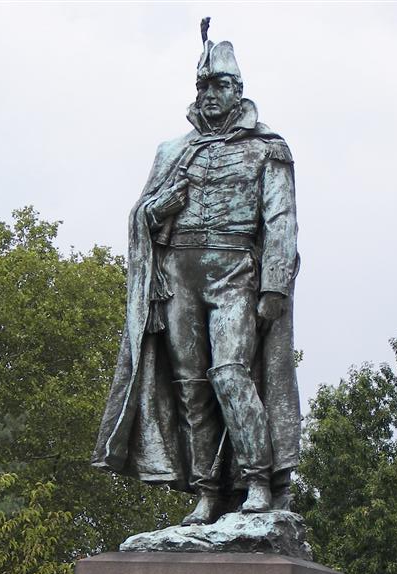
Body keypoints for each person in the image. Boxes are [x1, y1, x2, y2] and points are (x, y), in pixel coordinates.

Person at [92, 21, 300, 525]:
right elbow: (142, 215)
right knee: (190, 388)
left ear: (238, 90)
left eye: (219, 86)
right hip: (177, 276)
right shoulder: (172, 151)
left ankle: (257, 480)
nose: (209, 95)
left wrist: (273, 286)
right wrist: (159, 207)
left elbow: (281, 222)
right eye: (203, 86)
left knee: (230, 375)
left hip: (235, 273)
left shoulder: (266, 148)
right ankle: (208, 491)